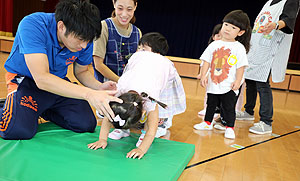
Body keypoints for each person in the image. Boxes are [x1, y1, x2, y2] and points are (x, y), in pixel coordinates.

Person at [0, 0, 122, 140]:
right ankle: (11, 106)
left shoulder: (85, 38)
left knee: (85, 124)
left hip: (57, 83)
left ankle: (36, 110)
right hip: (26, 81)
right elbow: (42, 79)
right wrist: (89, 94)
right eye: (80, 39)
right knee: (17, 130)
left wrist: (99, 87)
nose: (83, 46)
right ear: (61, 26)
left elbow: (81, 71)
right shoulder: (33, 25)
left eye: (87, 41)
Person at [88, 32, 186, 159]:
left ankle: (161, 124)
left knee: (157, 116)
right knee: (120, 112)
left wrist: (141, 149)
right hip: (135, 68)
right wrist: (102, 139)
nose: (140, 50)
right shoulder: (121, 88)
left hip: (163, 76)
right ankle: (123, 129)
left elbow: (152, 128)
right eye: (140, 48)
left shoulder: (151, 97)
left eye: (143, 48)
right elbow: (108, 115)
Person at [236, 0, 300, 134]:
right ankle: (249, 111)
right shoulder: (269, 2)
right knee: (250, 80)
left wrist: (275, 25)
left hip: (271, 48)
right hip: (257, 47)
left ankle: (266, 122)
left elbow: (289, 20)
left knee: (262, 83)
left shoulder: (291, 1)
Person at [194, 10, 251, 139]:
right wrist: (203, 75)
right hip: (214, 82)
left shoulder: (239, 48)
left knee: (229, 107)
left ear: (240, 32)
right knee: (211, 104)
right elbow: (206, 61)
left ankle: (230, 127)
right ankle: (207, 122)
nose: (228, 29)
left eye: (233, 27)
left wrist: (238, 81)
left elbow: (241, 66)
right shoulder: (214, 44)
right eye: (226, 25)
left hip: (229, 84)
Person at [92, 0, 141, 83]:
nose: (124, 14)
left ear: (135, 6)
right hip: (105, 85)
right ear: (114, 4)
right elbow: (98, 65)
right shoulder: (104, 27)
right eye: (120, 8)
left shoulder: (137, 33)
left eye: (129, 9)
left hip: (127, 87)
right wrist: (122, 82)